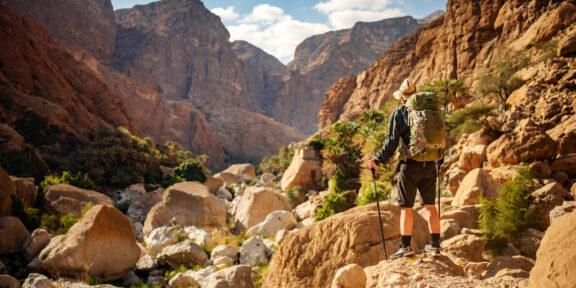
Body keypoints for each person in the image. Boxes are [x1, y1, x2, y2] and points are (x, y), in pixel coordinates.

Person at [367, 78, 441, 259]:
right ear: (416, 94)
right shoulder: (430, 111)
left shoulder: (400, 112)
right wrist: (439, 159)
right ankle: (436, 246)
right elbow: (440, 136)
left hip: (410, 167)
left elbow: (391, 142)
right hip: (430, 164)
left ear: (401, 97)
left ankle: (406, 247)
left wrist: (377, 160)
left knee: (406, 208)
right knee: (431, 207)